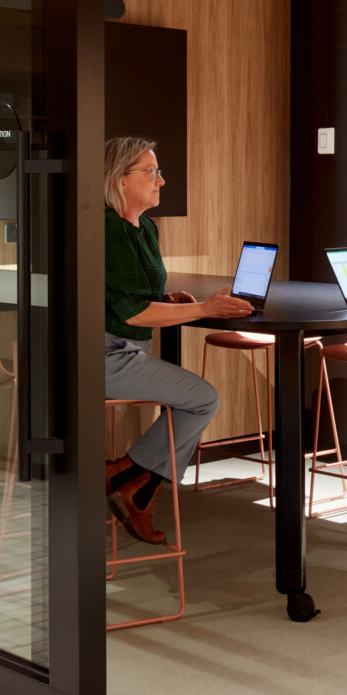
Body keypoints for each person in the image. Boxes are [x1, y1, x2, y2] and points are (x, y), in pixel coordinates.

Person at [103, 136, 254, 544]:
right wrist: (204, 309)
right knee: (203, 398)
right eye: (150, 172)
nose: (161, 180)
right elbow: (131, 312)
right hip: (104, 355)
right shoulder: (108, 230)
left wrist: (167, 301)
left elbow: (134, 297)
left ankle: (131, 481)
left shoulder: (145, 228)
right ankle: (129, 480)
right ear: (120, 180)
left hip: (128, 350)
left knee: (195, 399)